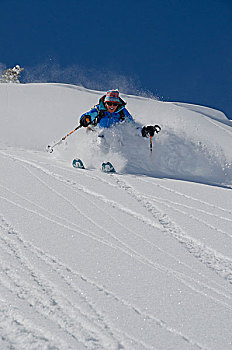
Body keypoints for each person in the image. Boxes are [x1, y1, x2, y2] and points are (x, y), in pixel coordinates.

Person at [79, 89, 161, 137]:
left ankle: (109, 162)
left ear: (118, 104)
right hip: (96, 132)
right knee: (100, 137)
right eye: (109, 103)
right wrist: (84, 120)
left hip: (113, 136)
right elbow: (86, 116)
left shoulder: (122, 112)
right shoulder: (99, 110)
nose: (112, 106)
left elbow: (132, 126)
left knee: (117, 138)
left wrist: (145, 131)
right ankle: (88, 159)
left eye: (114, 104)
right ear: (105, 103)